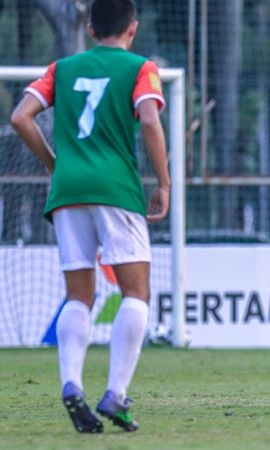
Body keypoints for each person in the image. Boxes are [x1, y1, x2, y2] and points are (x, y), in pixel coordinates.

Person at [10, 0, 169, 433]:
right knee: (136, 292)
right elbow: (151, 122)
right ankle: (116, 393)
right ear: (131, 28)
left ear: (92, 27)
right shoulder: (141, 68)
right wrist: (164, 183)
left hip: (68, 190)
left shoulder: (61, 68)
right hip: (115, 188)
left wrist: (52, 163)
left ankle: (71, 384)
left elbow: (21, 116)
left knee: (78, 295)